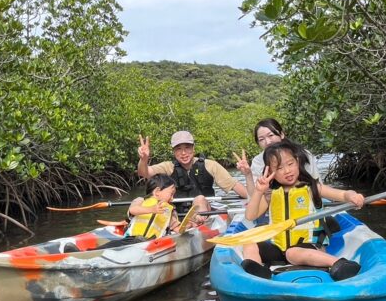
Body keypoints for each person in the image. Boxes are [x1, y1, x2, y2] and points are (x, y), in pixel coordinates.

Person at [241, 139, 365, 281]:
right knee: (249, 241)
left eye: (290, 164)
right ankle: (257, 271)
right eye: (279, 168)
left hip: (309, 245)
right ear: (270, 171)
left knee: (292, 253)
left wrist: (353, 196)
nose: (287, 171)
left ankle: (338, 263)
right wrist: (258, 191)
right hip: (279, 248)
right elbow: (250, 216)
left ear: (298, 161)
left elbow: (341, 194)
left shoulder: (311, 188)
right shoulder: (271, 194)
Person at [137, 131, 248, 216]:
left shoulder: (211, 165)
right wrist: (144, 159)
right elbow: (144, 173)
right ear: (173, 152)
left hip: (205, 212)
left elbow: (237, 187)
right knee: (142, 200)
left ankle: (197, 221)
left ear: (193, 148)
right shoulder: (168, 167)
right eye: (179, 149)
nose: (184, 153)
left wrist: (255, 195)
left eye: (187, 147)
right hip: (178, 212)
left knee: (199, 199)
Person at [235, 118, 320, 196]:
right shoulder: (258, 161)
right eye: (261, 139)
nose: (268, 142)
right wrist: (248, 175)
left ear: (281, 134)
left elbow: (317, 184)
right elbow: (253, 197)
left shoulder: (303, 154)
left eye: (271, 135)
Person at [124, 174, 181, 238]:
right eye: (171, 194)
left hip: (154, 243)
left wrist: (188, 225)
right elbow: (133, 210)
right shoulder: (140, 200)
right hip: (131, 239)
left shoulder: (170, 210)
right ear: (157, 192)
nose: (172, 198)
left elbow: (177, 229)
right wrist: (152, 209)